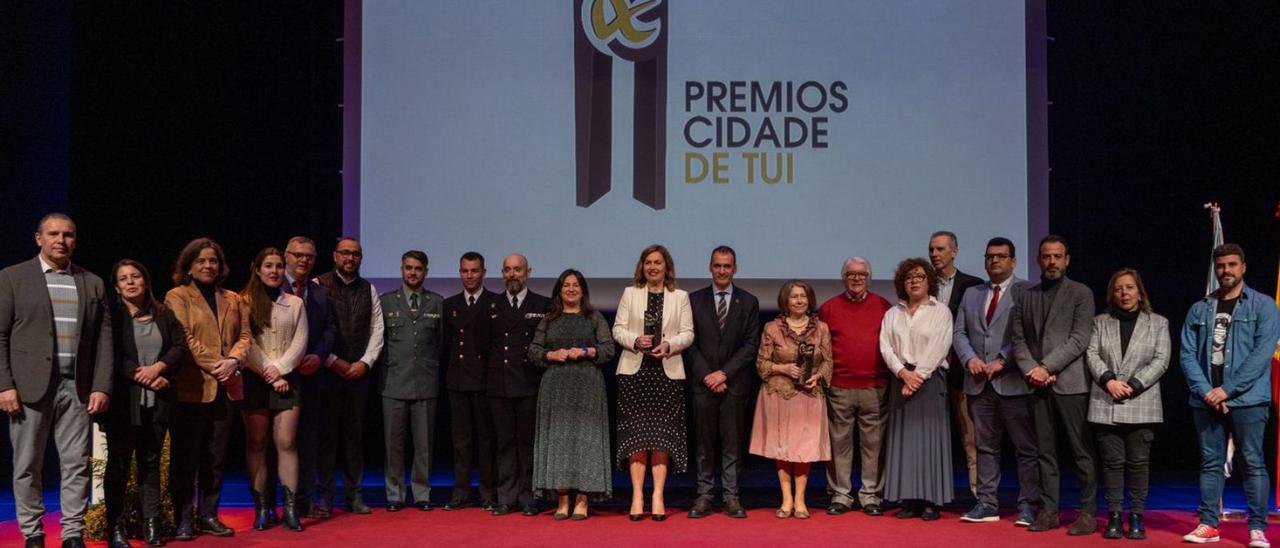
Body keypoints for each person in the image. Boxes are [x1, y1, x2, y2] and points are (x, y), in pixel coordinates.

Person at [0, 213, 113, 548]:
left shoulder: (92, 282)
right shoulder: (11, 278)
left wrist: (101, 385)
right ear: (39, 238)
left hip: (76, 388)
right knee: (27, 465)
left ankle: (72, 533)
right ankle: (33, 533)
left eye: (68, 235)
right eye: (53, 234)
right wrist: (4, 384)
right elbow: (0, 335)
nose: (61, 240)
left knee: (76, 463)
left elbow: (104, 338)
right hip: (28, 388)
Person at [1180, 244, 1280, 547]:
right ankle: (1209, 524)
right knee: (1211, 463)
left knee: (1252, 462)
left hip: (1248, 399)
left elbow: (1262, 355)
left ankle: (1257, 528)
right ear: (1215, 268)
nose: (1226, 270)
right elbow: (1187, 355)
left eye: (1232, 264)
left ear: (1243, 267)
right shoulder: (1199, 308)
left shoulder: (1262, 306)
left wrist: (1227, 390)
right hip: (1206, 400)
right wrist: (1207, 391)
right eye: (1221, 265)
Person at [1010, 235, 1097, 535]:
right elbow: (1018, 339)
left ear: (1067, 259)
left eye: (1057, 256)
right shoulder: (1026, 296)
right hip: (1037, 385)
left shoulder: (1081, 293)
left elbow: (1080, 338)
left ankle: (1087, 513)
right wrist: (1032, 370)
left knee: (1081, 451)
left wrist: (1046, 367)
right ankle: (1049, 511)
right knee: (1044, 451)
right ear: (1038, 260)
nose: (1051, 262)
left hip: (1071, 384)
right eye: (1046, 256)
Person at [165, 237, 251, 539]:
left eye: (213, 260)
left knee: (215, 458)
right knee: (186, 458)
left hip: (226, 388)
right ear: (189, 266)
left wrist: (234, 362)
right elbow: (185, 338)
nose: (208, 265)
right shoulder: (176, 296)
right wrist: (220, 364)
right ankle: (184, 519)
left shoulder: (232, 298)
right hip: (191, 388)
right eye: (201, 260)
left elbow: (245, 336)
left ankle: (210, 515)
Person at [951, 237, 1039, 526]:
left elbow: (1029, 334)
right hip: (978, 383)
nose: (994, 261)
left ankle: (1027, 505)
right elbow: (959, 332)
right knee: (985, 447)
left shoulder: (1027, 290)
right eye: (990, 256)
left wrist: (1003, 360)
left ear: (1013, 261)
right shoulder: (971, 292)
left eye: (1001, 256)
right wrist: (970, 360)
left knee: (1025, 448)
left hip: (1013, 382)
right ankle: (987, 503)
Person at [105, 260, 188, 547]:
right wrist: (143, 376)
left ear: (145, 281)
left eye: (136, 276)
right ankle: (115, 528)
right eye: (123, 278)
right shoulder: (112, 316)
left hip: (159, 401)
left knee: (150, 463)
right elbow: (111, 353)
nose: (130, 282)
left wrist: (160, 368)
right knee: (118, 465)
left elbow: (180, 346)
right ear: (116, 286)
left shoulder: (163, 314)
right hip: (123, 404)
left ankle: (151, 524)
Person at [612, 244, 694, 521]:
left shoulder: (680, 296)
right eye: (648, 262)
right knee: (637, 437)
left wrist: (669, 344)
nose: (653, 267)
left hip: (666, 372)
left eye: (658, 262)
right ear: (642, 266)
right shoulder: (630, 294)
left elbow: (688, 333)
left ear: (667, 267)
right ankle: (637, 495)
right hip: (635, 372)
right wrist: (635, 340)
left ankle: (658, 495)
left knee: (661, 437)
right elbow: (617, 329)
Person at [1085, 268, 1169, 540]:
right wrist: (1108, 380)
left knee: (1138, 464)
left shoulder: (1158, 323)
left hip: (1141, 402)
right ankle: (1114, 516)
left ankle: (1136, 516)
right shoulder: (1100, 322)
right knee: (1112, 464)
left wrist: (1133, 385)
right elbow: (1092, 354)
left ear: (1139, 291)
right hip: (1105, 400)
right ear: (1112, 293)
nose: (1124, 293)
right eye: (1119, 288)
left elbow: (1161, 360)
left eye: (1130, 287)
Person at [528, 269, 617, 521]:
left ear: (583, 290)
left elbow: (608, 349)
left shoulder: (594, 317)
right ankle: (563, 498)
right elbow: (534, 350)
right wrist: (550, 355)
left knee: (585, 441)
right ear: (559, 290)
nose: (570, 289)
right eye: (566, 285)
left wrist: (587, 351)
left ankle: (582, 499)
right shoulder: (549, 318)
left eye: (575, 285)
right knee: (560, 441)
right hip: (555, 386)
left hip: (587, 387)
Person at [685, 246, 760, 519]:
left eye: (727, 266)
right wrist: (708, 375)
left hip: (734, 385)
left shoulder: (749, 302)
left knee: (732, 444)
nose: (722, 270)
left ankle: (731, 497)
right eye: (717, 265)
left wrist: (724, 374)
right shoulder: (693, 300)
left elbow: (751, 346)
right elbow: (689, 343)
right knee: (704, 445)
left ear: (735, 269)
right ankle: (704, 496)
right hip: (702, 384)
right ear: (710, 267)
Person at [748, 280, 833, 519]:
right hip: (779, 394)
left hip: (809, 395)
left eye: (803, 297)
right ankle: (786, 500)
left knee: (803, 450)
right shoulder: (771, 328)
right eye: (794, 297)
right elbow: (761, 364)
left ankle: (801, 500)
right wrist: (783, 368)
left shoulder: (822, 328)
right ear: (785, 300)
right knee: (783, 448)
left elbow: (828, 361)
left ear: (810, 300)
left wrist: (817, 376)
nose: (799, 301)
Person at [880, 258, 954, 520]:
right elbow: (885, 346)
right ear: (902, 282)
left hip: (929, 381)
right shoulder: (892, 313)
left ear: (929, 281)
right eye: (909, 277)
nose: (914, 281)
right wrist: (902, 372)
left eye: (920, 276)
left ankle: (931, 501)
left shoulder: (940, 311)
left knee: (929, 441)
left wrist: (917, 377)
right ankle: (909, 500)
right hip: (901, 379)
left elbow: (940, 346)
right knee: (905, 442)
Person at [239, 247, 308, 532]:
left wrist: (281, 369)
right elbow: (246, 343)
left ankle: (289, 509)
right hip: (256, 379)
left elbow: (301, 341)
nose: (274, 271)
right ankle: (262, 508)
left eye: (279, 266)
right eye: (268, 266)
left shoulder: (294, 303)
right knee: (256, 443)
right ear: (257, 269)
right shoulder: (242, 302)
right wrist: (270, 371)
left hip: (288, 378)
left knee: (287, 443)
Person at [315, 237, 384, 515]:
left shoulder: (369, 289)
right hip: (328, 373)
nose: (350, 258)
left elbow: (377, 329)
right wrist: (334, 362)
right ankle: (324, 497)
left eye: (355, 254)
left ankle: (354, 495)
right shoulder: (319, 285)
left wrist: (365, 363)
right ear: (334, 256)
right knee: (327, 436)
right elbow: (315, 328)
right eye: (345, 253)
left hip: (358, 375)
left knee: (355, 437)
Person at [818, 257, 893, 516]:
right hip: (840, 386)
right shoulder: (828, 309)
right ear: (843, 278)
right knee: (839, 444)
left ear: (869, 278)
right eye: (851, 274)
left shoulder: (884, 306)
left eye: (862, 274)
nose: (857, 278)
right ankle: (841, 495)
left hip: (875, 386)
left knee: (874, 445)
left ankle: (870, 495)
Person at [377, 250, 443, 512]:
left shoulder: (437, 302)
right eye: (408, 268)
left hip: (425, 382)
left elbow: (441, 343)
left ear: (426, 271)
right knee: (393, 444)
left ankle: (422, 493)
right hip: (393, 382)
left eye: (417, 268)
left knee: (424, 444)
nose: (412, 273)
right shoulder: (386, 302)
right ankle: (394, 495)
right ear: (401, 269)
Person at [487, 253, 551, 516]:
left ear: (528, 272)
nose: (513, 274)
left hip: (529, 383)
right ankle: (506, 496)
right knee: (503, 443)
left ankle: (528, 497)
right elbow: (484, 345)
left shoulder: (543, 304)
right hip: (498, 383)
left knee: (527, 443)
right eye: (508, 270)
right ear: (502, 273)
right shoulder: (491, 305)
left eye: (518, 269)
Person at [281, 236, 336, 519]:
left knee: (308, 440)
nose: (304, 260)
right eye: (298, 255)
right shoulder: (270, 287)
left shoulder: (319, 293)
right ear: (286, 256)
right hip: (277, 376)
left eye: (310, 257)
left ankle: (303, 500)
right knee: (278, 441)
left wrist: (318, 355)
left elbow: (329, 330)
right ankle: (270, 503)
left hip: (312, 375)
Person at [441, 251, 498, 511]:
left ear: (483, 272)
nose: (469, 276)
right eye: (465, 271)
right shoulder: (449, 304)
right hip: (457, 380)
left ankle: (488, 492)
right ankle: (461, 492)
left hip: (485, 382)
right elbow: (445, 346)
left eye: (474, 270)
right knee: (460, 441)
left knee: (486, 441)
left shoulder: (494, 303)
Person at [928, 231, 983, 496]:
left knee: (970, 438)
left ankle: (978, 495)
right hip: (928, 375)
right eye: (932, 250)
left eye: (940, 249)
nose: (935, 255)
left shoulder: (973, 286)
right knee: (930, 438)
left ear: (954, 251)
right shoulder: (921, 284)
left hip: (961, 373)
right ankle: (930, 493)